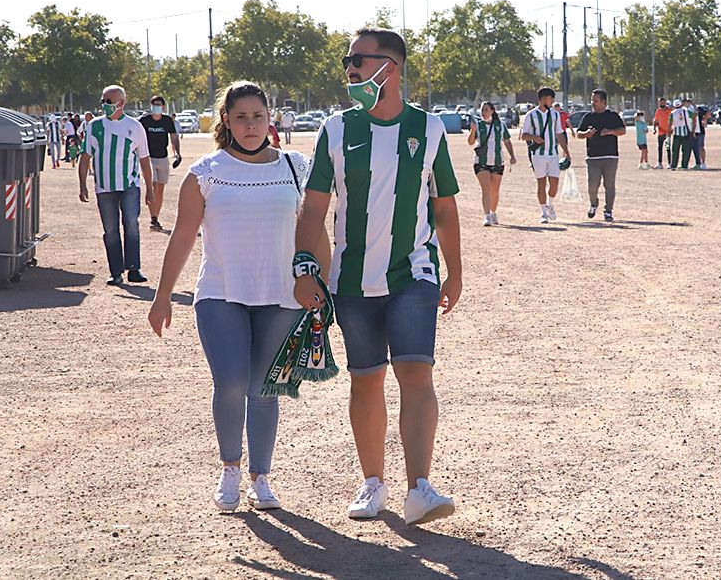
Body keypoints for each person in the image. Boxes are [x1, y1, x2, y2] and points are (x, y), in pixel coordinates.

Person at [294, 28, 462, 526]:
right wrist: (305, 266)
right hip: (351, 282)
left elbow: (445, 208)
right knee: (366, 380)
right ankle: (373, 485)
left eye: (358, 60)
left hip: (414, 273)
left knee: (416, 372)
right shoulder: (335, 129)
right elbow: (313, 209)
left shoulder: (429, 129)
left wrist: (455, 272)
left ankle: (420, 489)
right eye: (347, 60)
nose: (349, 69)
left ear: (389, 67)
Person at [148, 80, 330, 513]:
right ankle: (230, 467)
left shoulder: (297, 168)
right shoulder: (205, 173)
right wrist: (161, 296)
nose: (250, 125)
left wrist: (321, 282)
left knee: (266, 387)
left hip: (282, 294)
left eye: (258, 116)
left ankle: (260, 478)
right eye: (241, 117)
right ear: (226, 121)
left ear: (271, 120)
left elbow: (317, 230)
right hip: (221, 293)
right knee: (230, 383)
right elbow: (182, 237)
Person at [78, 84, 154, 285]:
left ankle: (134, 268)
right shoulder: (94, 126)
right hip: (104, 188)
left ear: (121, 103)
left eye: (108, 102)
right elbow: (85, 157)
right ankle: (116, 272)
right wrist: (82, 185)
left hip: (129, 186)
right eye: (102, 101)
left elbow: (144, 160)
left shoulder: (135, 127)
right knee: (110, 230)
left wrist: (150, 190)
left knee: (131, 224)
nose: (104, 105)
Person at [521, 88, 571, 223]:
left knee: (554, 183)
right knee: (541, 183)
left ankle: (550, 205)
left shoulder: (555, 115)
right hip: (538, 155)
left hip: (553, 154)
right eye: (550, 98)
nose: (552, 101)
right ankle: (543, 212)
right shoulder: (531, 115)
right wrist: (534, 137)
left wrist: (566, 151)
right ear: (542, 98)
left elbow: (559, 134)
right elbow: (523, 135)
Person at [576, 89, 625, 222]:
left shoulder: (613, 116)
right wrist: (587, 133)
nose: (593, 103)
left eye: (596, 100)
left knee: (609, 185)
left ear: (604, 102)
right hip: (593, 157)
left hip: (610, 156)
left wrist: (610, 131)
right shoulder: (588, 117)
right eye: (592, 100)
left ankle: (608, 210)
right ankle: (593, 203)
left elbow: (622, 130)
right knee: (592, 185)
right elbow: (578, 134)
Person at [467, 101, 516, 226]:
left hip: (497, 161)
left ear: (492, 111)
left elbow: (506, 141)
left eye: (486, 110)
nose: (484, 112)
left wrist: (512, 156)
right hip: (481, 162)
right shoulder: (478, 125)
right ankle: (487, 215)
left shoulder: (500, 125)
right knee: (486, 189)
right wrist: (472, 131)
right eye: (482, 110)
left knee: (495, 191)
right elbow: (471, 142)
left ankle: (493, 213)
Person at [139, 95, 182, 232]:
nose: (155, 107)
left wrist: (178, 153)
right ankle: (153, 218)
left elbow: (174, 137)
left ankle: (156, 216)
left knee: (160, 189)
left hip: (163, 157)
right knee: (153, 185)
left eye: (158, 104)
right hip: (148, 158)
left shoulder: (167, 120)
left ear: (163, 106)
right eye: (153, 104)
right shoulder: (144, 120)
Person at [668, 99, 694, 170]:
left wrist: (669, 132)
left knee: (675, 150)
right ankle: (684, 166)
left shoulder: (672, 113)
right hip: (685, 133)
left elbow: (670, 123)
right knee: (685, 151)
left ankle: (673, 165)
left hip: (676, 134)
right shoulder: (686, 111)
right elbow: (693, 116)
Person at [652, 97, 672, 168]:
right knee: (659, 148)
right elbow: (656, 121)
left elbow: (672, 120)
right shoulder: (658, 111)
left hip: (667, 133)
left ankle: (669, 163)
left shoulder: (669, 110)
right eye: (660, 102)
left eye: (663, 102)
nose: (661, 104)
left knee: (668, 148)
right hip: (660, 133)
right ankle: (659, 163)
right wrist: (654, 129)